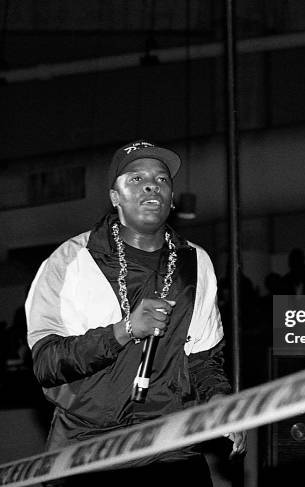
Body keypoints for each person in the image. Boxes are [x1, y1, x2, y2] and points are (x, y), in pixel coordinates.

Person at [25, 140, 245, 486]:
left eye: (161, 179)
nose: (151, 185)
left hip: (173, 449)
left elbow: (204, 360)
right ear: (115, 197)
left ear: (172, 199)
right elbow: (47, 363)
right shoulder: (70, 260)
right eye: (136, 178)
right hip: (91, 454)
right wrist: (123, 331)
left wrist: (220, 403)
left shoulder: (196, 263)